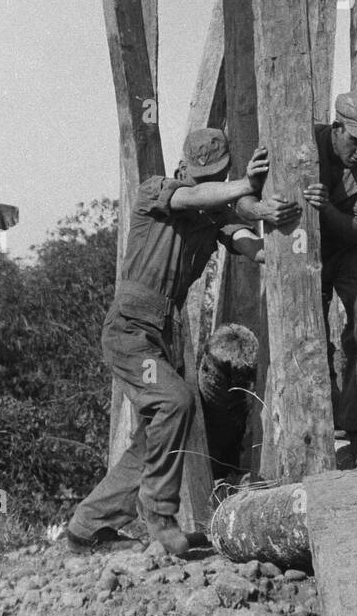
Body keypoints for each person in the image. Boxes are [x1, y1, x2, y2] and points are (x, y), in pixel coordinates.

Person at [67, 129, 298, 556]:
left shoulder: (213, 216)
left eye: (213, 176)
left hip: (163, 335)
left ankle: (88, 526)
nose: (201, 182)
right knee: (175, 401)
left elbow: (247, 241)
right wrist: (247, 186)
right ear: (182, 169)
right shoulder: (156, 191)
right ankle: (159, 515)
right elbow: (189, 199)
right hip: (131, 329)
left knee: (157, 430)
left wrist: (275, 228)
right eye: (199, 175)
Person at [303, 90, 357, 463]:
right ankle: (315, 423)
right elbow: (250, 193)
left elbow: (356, 228)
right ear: (337, 128)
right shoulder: (301, 142)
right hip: (307, 247)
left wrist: (323, 209)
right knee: (309, 331)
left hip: (354, 247)